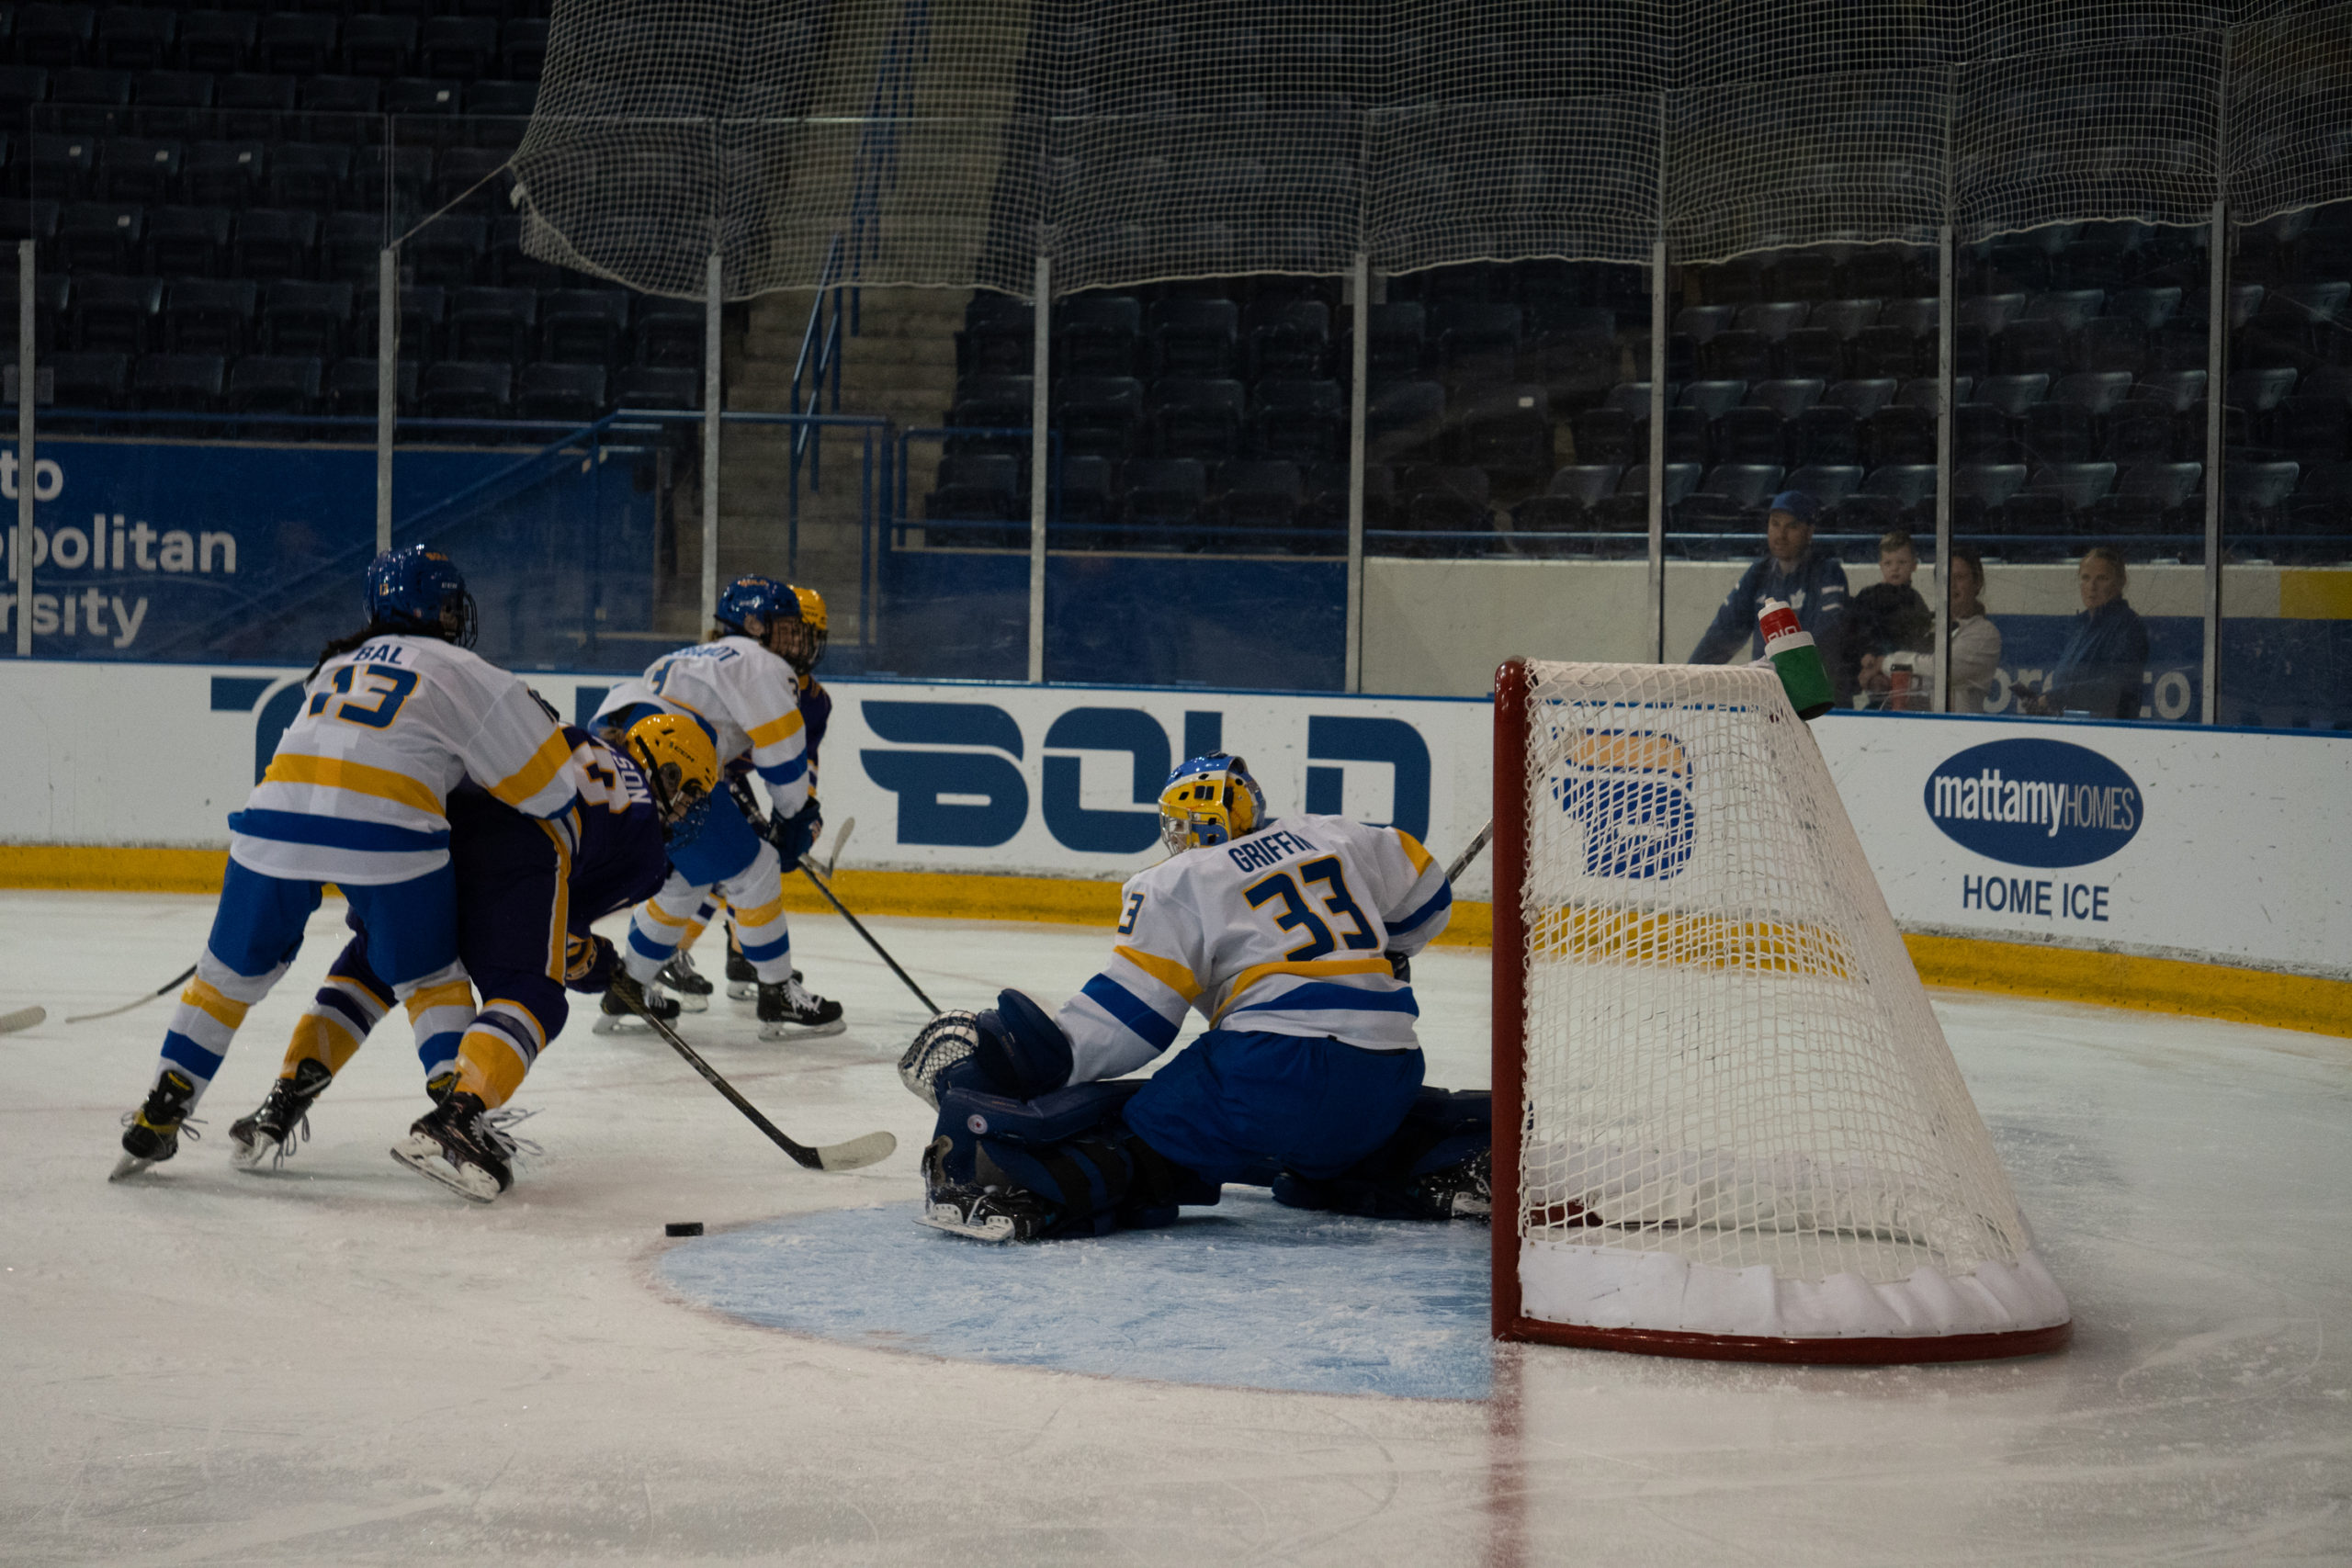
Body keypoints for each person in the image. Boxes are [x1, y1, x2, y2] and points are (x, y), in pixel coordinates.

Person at [113, 547, 581, 1180]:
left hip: (274, 821)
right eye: (445, 605)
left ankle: (161, 1109)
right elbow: (550, 792)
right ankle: (455, 1116)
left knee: (225, 976)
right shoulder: (466, 670)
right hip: (389, 834)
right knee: (430, 977)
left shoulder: (334, 662)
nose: (452, 616)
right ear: (426, 608)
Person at [897, 753, 1491, 1243]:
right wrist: (1389, 944)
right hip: (1386, 1076)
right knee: (1325, 1159)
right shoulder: (1333, 834)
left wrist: (1034, 1058)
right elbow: (1430, 897)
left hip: (1268, 1073)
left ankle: (1008, 1178)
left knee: (1140, 1135)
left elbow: (1130, 1024)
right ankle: (1450, 1156)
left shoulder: (1175, 881)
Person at [223, 714, 718, 1201]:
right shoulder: (646, 844)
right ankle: (458, 1117)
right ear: (669, 773)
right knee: (533, 994)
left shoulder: (576, 736)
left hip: (438, 824)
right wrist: (598, 965)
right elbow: (557, 932)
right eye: (690, 791)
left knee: (378, 962)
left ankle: (283, 1099)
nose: (686, 808)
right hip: (524, 851)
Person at [591, 576, 842, 1040]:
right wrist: (794, 818)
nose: (794, 639)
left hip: (619, 758)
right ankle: (777, 992)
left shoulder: (691, 656)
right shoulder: (762, 664)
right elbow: (783, 756)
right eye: (786, 628)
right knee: (758, 868)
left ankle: (628, 987)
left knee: (687, 878)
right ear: (753, 624)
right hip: (666, 759)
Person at [654, 586, 836, 1010]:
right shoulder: (754, 667)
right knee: (734, 864)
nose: (802, 644)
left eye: (809, 635)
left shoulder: (816, 701)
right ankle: (681, 953)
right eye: (797, 632)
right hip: (703, 773)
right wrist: (788, 814)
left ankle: (743, 957)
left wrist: (803, 814)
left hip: (732, 775)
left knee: (745, 863)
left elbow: (802, 760)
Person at [1687, 491, 1852, 686]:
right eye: (1775, 524)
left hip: (1817, 696)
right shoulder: (1759, 573)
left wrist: (1781, 669)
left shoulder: (1827, 573)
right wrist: (1689, 679)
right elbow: (1723, 633)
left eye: (1792, 526)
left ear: (1809, 532)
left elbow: (1828, 637)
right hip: (1769, 694)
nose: (1781, 535)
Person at [1862, 545, 2003, 713]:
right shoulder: (1926, 626)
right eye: (1945, 578)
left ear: (1977, 582)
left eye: (1959, 577)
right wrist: (1877, 676)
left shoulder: (1984, 633)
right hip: (1913, 728)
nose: (1951, 585)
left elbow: (1940, 669)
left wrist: (1885, 663)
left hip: (1958, 732)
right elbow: (1909, 675)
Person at [2017, 547, 2148, 719]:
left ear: (2120, 581)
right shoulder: (2079, 627)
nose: (2092, 587)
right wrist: (2044, 704)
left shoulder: (2128, 626)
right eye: (2085, 578)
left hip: (2109, 732)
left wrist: (2053, 698)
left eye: (2102, 578)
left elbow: (2113, 688)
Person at [1838, 530, 1934, 699]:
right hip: (1872, 665)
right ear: (1881, 565)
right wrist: (1867, 653)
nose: (1895, 568)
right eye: (1888, 563)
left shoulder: (1916, 601)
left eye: (1902, 562)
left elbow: (1921, 637)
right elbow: (1857, 630)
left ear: (1914, 564)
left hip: (1904, 672)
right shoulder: (1868, 596)